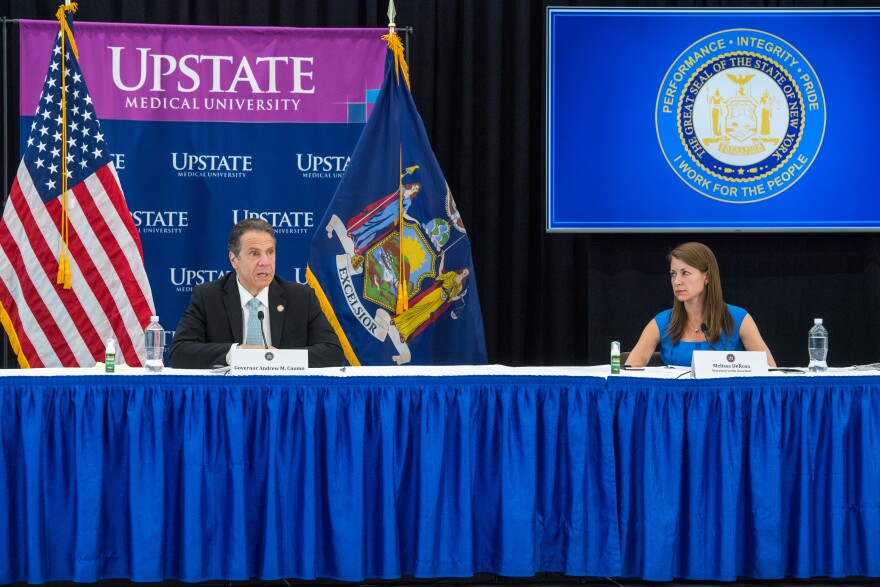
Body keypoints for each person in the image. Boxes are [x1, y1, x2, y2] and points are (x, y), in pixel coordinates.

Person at [169, 218, 344, 368]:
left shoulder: (300, 297)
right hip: (230, 397)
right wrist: (238, 353)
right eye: (254, 253)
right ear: (234, 259)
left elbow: (332, 352)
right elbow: (179, 352)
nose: (265, 262)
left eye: (270, 252)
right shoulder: (208, 296)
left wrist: (275, 359)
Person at [625, 242, 776, 368]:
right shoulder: (662, 322)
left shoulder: (739, 319)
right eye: (673, 274)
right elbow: (629, 371)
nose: (677, 281)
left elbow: (771, 372)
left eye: (685, 273)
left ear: (707, 277)